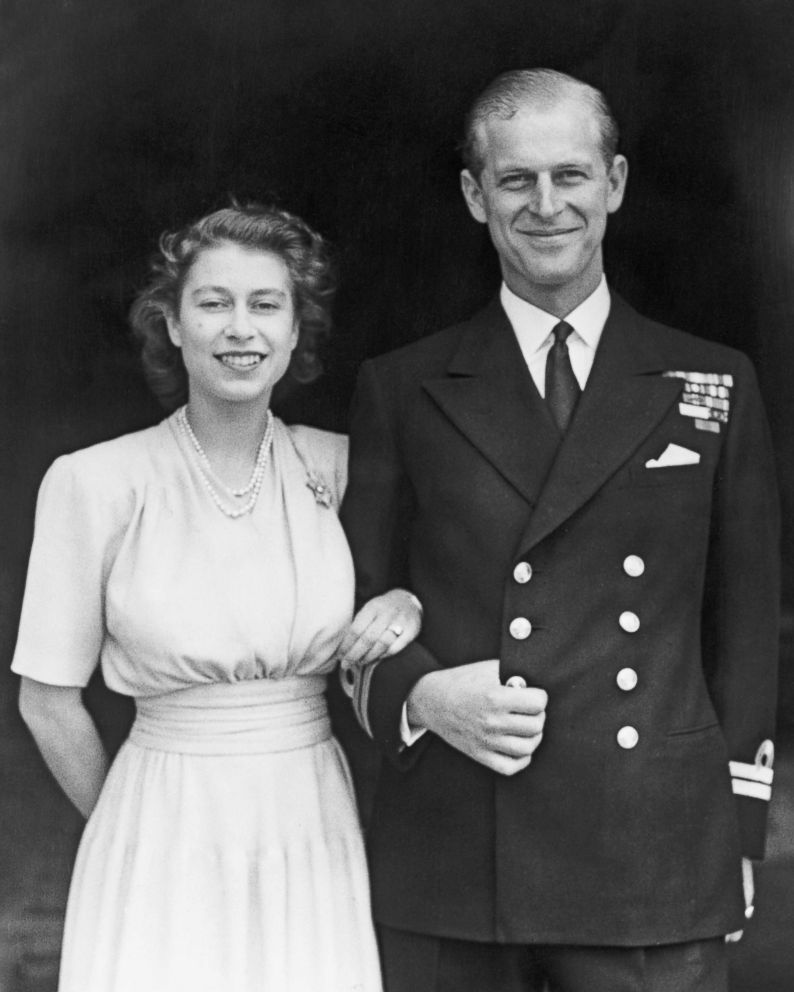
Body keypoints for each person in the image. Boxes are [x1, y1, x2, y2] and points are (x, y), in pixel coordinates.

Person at [339, 69, 780, 992]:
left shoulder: (714, 382)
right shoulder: (405, 387)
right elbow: (350, 597)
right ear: (474, 195)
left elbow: (744, 631)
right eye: (516, 180)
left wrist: (737, 832)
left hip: (650, 857)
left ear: (613, 184)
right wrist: (421, 699)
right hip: (457, 850)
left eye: (571, 176)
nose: (547, 206)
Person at [12, 203, 422, 992]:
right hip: (161, 814)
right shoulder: (96, 483)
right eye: (214, 303)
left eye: (266, 305)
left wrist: (406, 603)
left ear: (297, 330)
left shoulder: (341, 470)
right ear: (171, 323)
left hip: (310, 816)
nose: (242, 329)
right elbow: (46, 701)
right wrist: (128, 833)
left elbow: (415, 588)